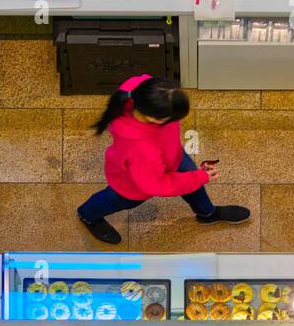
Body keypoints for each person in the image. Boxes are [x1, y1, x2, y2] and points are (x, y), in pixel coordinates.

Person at [77, 74, 249, 244]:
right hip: (132, 184)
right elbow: (156, 184)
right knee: (114, 199)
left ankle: (207, 214)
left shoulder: (143, 89)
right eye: (172, 118)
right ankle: (88, 216)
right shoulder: (142, 149)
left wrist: (194, 177)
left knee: (190, 179)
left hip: (172, 156)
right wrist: (200, 177)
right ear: (154, 118)